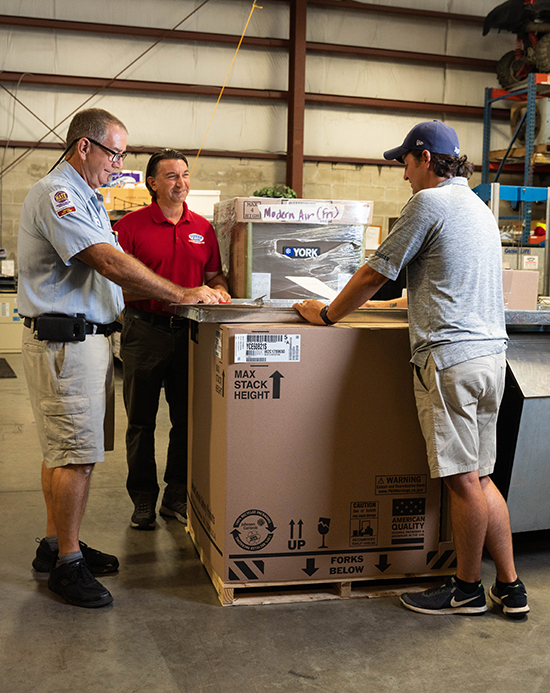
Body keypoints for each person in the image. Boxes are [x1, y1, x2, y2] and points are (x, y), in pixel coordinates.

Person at [294, 120, 529, 619]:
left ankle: (465, 590)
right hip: (491, 359)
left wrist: (329, 314)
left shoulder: (429, 203)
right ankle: (509, 587)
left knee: (462, 481)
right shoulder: (479, 209)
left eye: (404, 162)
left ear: (424, 158)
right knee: (483, 478)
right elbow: (441, 279)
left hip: (451, 359)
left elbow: (374, 271)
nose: (403, 175)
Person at [18, 109, 225, 609]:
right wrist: (180, 293)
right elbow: (108, 261)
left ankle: (55, 545)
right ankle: (67, 565)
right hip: (67, 341)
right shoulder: (59, 195)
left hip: (80, 340)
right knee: (77, 455)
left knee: (64, 450)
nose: (118, 164)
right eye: (114, 153)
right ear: (84, 147)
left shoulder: (86, 196)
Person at [114, 149, 230, 530]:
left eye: (184, 175)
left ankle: (176, 496)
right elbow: (117, 286)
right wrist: (174, 293)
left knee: (186, 419)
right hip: (143, 329)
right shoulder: (129, 227)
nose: (180, 183)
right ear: (152, 183)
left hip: (190, 334)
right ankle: (143, 500)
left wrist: (221, 291)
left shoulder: (203, 227)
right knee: (141, 420)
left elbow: (214, 277)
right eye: (170, 176)